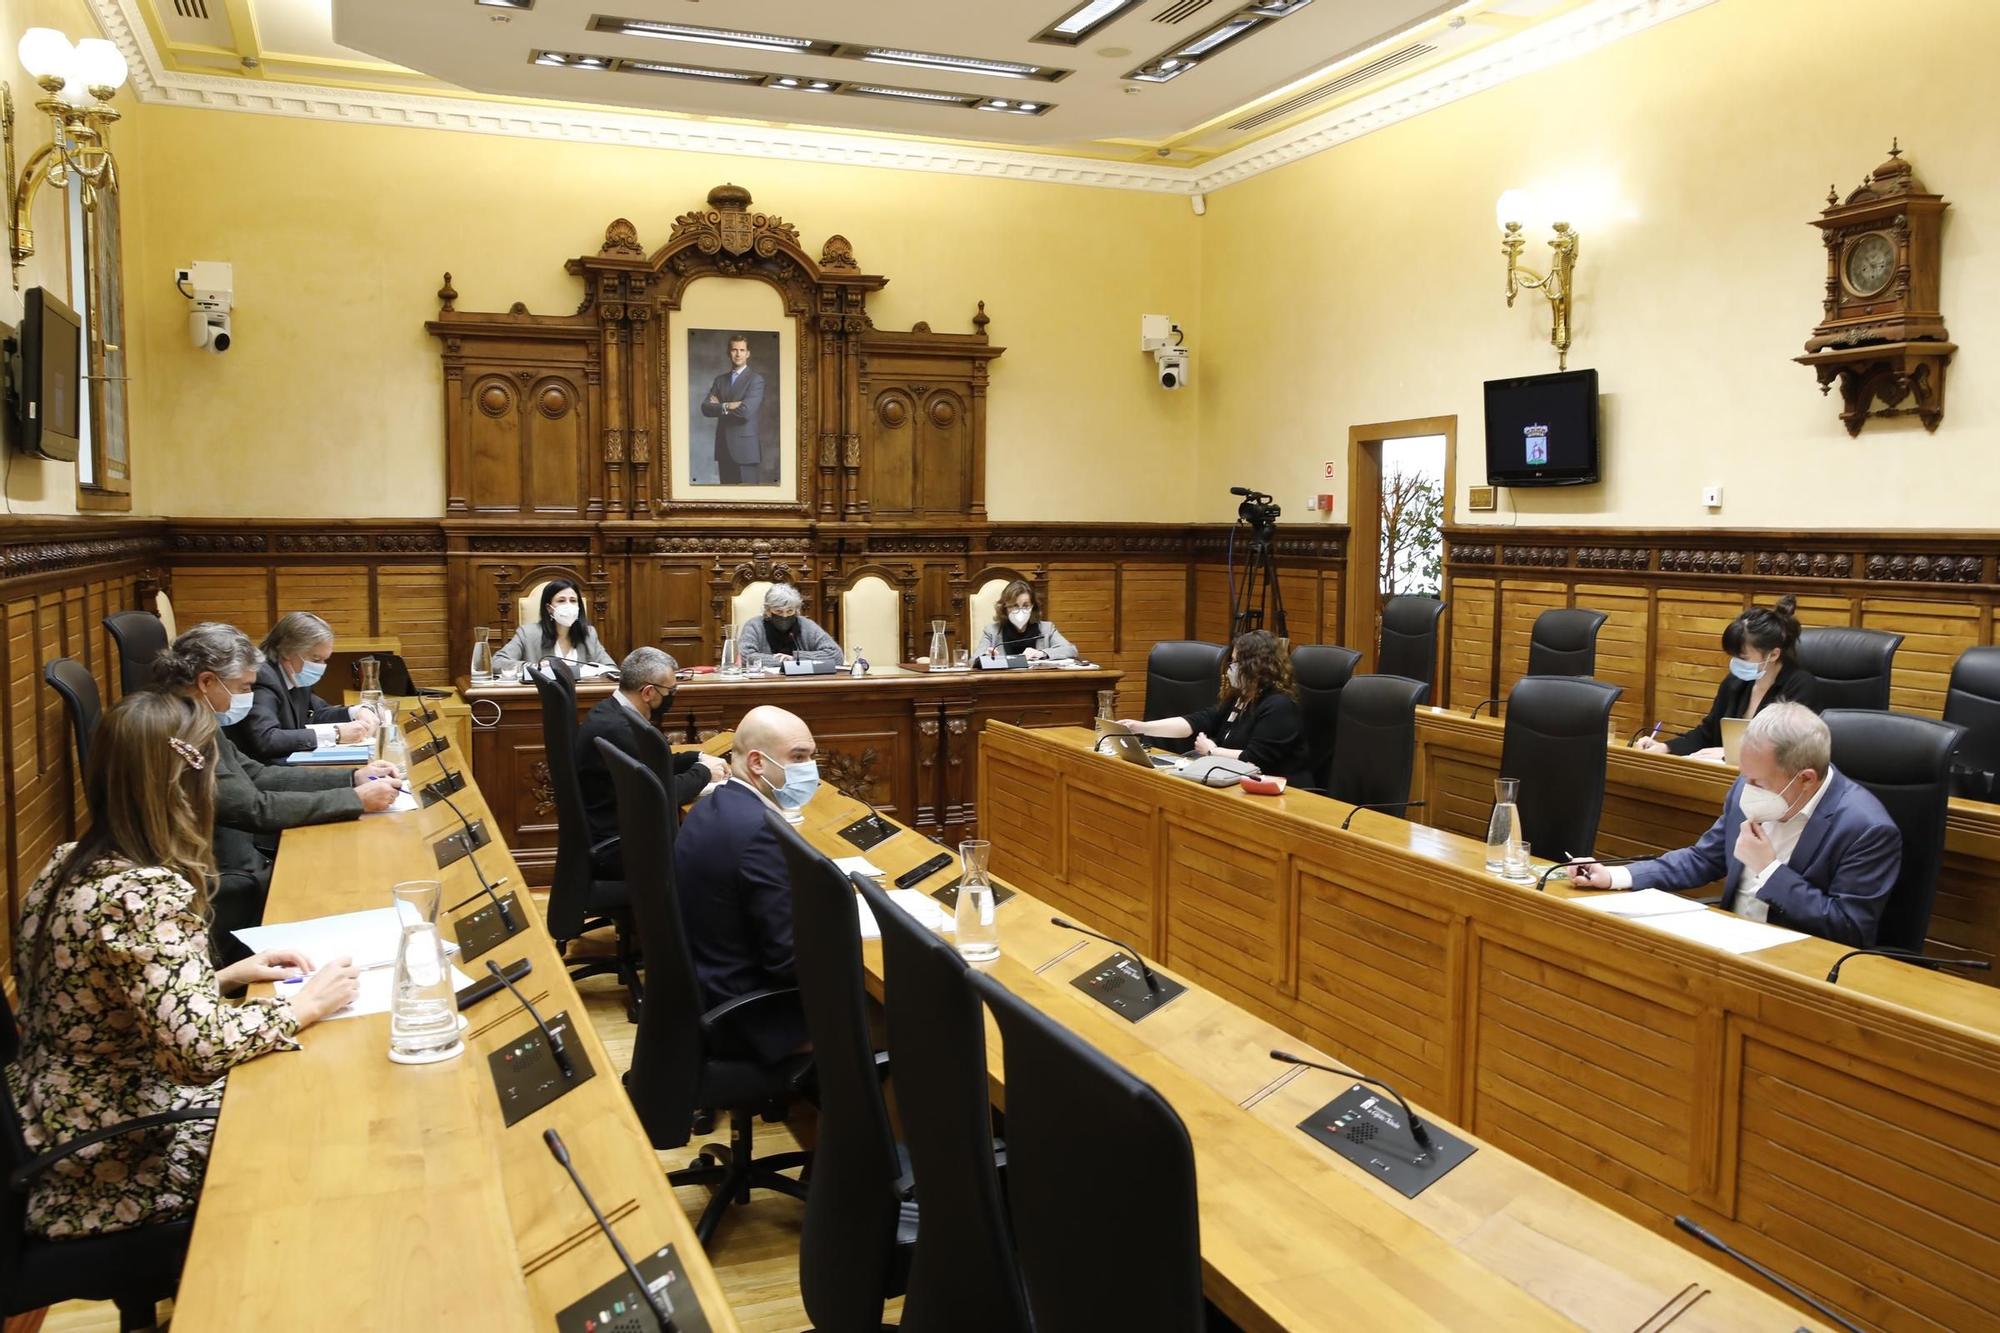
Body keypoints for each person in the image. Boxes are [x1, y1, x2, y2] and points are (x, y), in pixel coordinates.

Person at [6, 689, 361, 1240]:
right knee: (313, 1116)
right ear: (184, 785)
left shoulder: (68, 859)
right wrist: (303, 1006)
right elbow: (200, 1053)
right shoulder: (143, 893)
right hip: (118, 1156)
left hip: (53, 1115)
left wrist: (222, 978)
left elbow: (99, 1005)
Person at [1571, 702, 1901, 947]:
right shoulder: (1748, 787)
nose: (1747, 788)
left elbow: (1850, 928)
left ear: (1805, 779)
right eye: (1745, 775)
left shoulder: (1866, 829)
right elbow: (1704, 859)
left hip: (1799, 964)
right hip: (1728, 945)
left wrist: (1769, 870)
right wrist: (1616, 875)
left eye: (1758, 781)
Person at [154, 622, 401, 946]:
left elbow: (255, 774)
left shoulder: (194, 713)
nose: (248, 698)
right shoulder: (180, 726)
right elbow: (253, 809)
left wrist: (351, 777)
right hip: (212, 865)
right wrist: (354, 799)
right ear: (206, 681)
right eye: (243, 688)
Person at [672, 705, 816, 1062]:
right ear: (757, 763)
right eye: (798, 757)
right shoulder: (761, 834)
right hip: (749, 1013)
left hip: (708, 987)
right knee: (898, 1017)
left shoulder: (711, 805)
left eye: (811, 757)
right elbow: (788, 962)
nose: (809, 769)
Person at [576, 646, 727, 875]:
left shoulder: (612, 712)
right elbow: (661, 794)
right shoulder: (618, 730)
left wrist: (694, 757)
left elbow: (652, 764)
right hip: (625, 846)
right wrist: (703, 772)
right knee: (716, 847)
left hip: (617, 829)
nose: (672, 696)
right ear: (648, 692)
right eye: (671, 690)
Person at [1117, 629, 1310, 785]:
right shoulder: (1240, 698)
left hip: (1281, 790)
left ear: (1256, 666)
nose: (1230, 668)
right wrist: (1141, 727)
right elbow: (1198, 721)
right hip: (1237, 782)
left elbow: (1256, 758)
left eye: (1236, 662)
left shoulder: (1279, 705)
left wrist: (1212, 751)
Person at [1634, 596, 1816, 758]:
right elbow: (1707, 733)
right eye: (1734, 655)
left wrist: (1728, 754)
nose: (1736, 662)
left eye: (1743, 657)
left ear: (1774, 655)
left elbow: (1789, 750)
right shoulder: (1735, 683)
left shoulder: (1800, 686)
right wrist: (1665, 747)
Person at [230, 610, 379, 762]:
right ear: (288, 651)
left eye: (324, 660)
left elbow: (317, 713)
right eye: (315, 659)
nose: (321, 667)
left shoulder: (295, 674)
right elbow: (266, 738)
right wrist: (336, 734)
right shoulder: (262, 677)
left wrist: (356, 712)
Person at [492, 579, 616, 674]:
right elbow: (496, 663)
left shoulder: (589, 634)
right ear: (549, 608)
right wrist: (535, 668)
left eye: (573, 601)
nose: (568, 605)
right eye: (561, 601)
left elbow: (611, 669)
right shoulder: (528, 633)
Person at [701, 332, 767, 485]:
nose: (738, 354)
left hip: (746, 451)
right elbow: (705, 408)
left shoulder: (756, 380)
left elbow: (745, 412)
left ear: (748, 353)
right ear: (728, 353)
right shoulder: (720, 380)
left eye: (742, 350)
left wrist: (719, 405)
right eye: (734, 350)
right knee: (726, 502)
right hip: (724, 448)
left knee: (748, 502)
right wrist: (728, 405)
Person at [737, 583, 841, 668]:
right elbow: (746, 656)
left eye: (790, 611)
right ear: (768, 611)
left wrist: (796, 658)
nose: (785, 616)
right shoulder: (754, 626)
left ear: (796, 610)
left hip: (802, 684)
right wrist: (783, 662)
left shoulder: (806, 625)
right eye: (779, 611)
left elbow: (836, 655)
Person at [974, 579, 1078, 661]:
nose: (1020, 611)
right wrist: (985, 657)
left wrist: (1041, 653)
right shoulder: (992, 631)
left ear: (1033, 607)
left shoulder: (1046, 629)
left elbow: (1071, 650)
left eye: (1025, 606)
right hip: (1003, 684)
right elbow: (974, 660)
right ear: (1005, 607)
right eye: (1015, 606)